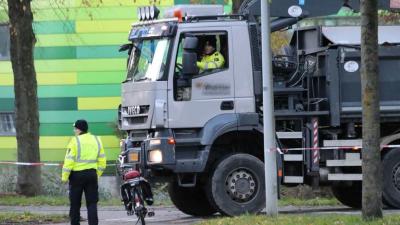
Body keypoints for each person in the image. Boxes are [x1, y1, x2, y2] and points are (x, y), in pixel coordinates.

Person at [62, 119, 106, 225]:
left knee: (75, 204)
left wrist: (64, 177)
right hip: (91, 175)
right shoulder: (97, 140)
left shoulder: (74, 141)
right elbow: (102, 161)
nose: (74, 131)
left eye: (75, 129)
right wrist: (97, 174)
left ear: (79, 129)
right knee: (92, 203)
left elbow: (69, 161)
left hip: (76, 176)